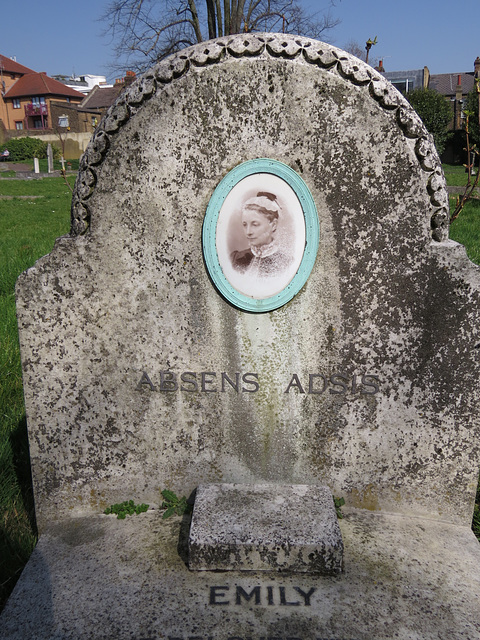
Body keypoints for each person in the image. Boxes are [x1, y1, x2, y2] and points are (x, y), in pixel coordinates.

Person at [230, 192, 292, 277]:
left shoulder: (286, 264)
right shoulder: (236, 258)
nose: (248, 232)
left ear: (273, 225)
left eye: (255, 224)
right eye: (245, 225)